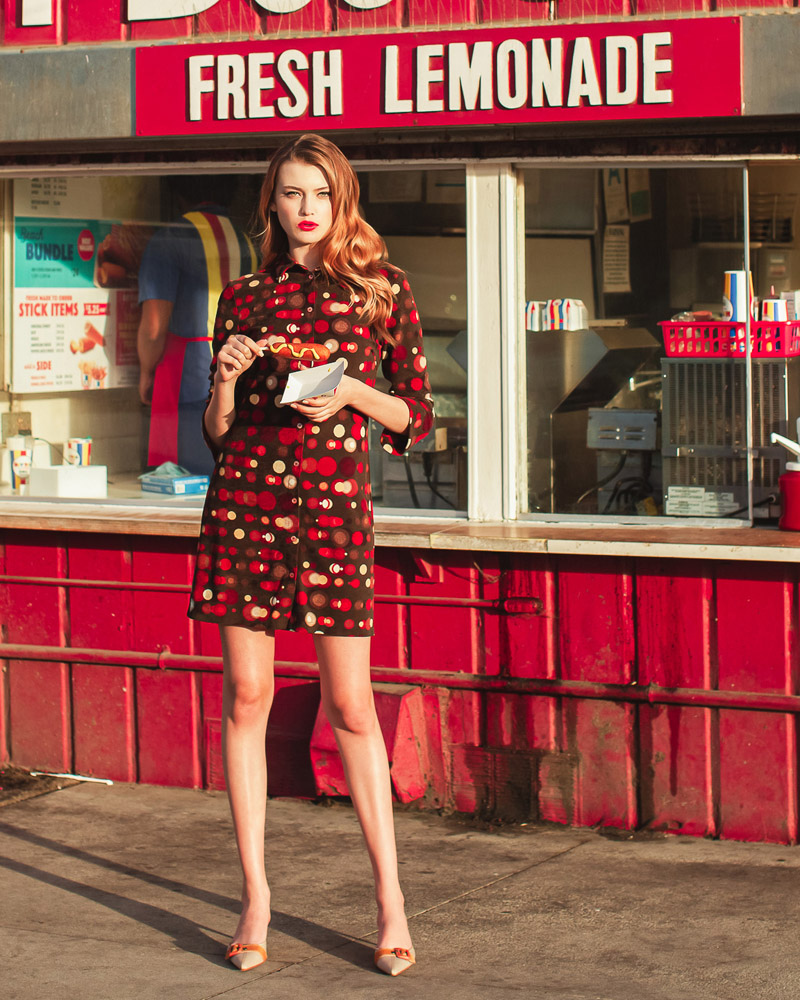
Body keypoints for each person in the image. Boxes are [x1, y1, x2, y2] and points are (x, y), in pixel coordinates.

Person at [187, 134, 434, 977]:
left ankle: (391, 901)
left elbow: (417, 418)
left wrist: (351, 393)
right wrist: (224, 378)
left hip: (333, 519)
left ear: (342, 201)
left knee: (352, 708)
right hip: (246, 510)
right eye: (291, 194)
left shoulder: (381, 291)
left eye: (318, 195)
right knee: (247, 698)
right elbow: (218, 436)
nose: (304, 210)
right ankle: (255, 896)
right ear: (272, 203)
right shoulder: (245, 295)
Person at [137, 176, 257, 475]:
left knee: (184, 481)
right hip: (246, 374)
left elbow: (154, 325)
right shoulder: (249, 241)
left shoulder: (171, 237)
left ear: (178, 192)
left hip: (187, 379)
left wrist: (146, 371)